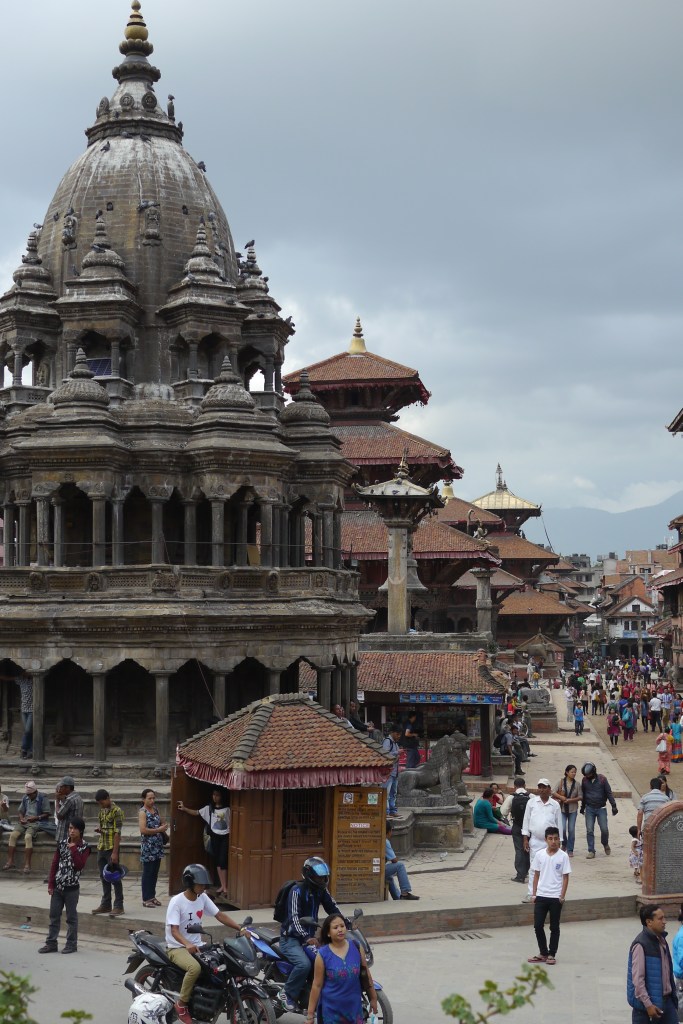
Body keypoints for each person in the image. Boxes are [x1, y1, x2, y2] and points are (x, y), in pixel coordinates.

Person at [166, 863, 244, 1024]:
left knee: (224, 960)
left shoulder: (202, 897)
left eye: (204, 884)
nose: (202, 887)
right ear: (189, 883)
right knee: (194, 968)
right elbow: (174, 930)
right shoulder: (177, 902)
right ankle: (181, 1005)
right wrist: (187, 944)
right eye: (199, 884)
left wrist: (240, 927)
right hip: (177, 947)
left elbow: (219, 915)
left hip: (197, 945)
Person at [280, 856, 346, 1014]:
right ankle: (286, 995)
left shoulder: (321, 890)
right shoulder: (296, 891)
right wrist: (306, 937)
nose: (322, 879)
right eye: (319, 877)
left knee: (327, 962)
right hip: (292, 939)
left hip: (310, 939)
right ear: (309, 875)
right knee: (305, 964)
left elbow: (333, 909)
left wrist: (347, 923)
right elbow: (294, 918)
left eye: (324, 877)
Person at [306, 913, 377, 1024]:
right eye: (335, 927)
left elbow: (365, 974)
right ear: (328, 933)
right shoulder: (322, 954)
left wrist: (373, 998)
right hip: (331, 1012)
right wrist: (310, 1015)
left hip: (354, 1010)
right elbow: (317, 985)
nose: (340, 929)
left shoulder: (357, 946)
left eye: (342, 926)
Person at [38, 816, 91, 955]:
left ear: (81, 831)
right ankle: (51, 943)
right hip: (58, 887)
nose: (71, 831)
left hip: (72, 889)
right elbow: (55, 864)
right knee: (54, 916)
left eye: (74, 829)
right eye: (70, 828)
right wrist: (51, 884)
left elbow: (79, 866)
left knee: (71, 918)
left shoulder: (85, 847)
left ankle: (71, 944)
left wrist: (73, 849)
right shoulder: (61, 843)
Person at [526, 826, 571, 966]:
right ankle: (543, 952)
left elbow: (565, 877)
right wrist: (534, 894)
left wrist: (562, 896)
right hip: (541, 895)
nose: (554, 841)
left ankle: (552, 954)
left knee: (554, 927)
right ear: (546, 840)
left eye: (556, 839)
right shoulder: (540, 855)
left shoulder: (563, 856)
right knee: (538, 926)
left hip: (555, 897)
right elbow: (536, 875)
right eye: (550, 839)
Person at [627, 904, 678, 1023]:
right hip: (648, 1009)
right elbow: (638, 980)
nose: (664, 922)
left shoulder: (661, 940)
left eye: (664, 918)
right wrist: (648, 1005)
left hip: (667, 1002)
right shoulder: (640, 944)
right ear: (649, 922)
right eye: (660, 919)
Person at [177, 787, 231, 898]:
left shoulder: (227, 809)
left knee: (223, 861)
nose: (215, 797)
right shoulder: (209, 808)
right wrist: (184, 808)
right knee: (217, 861)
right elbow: (197, 812)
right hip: (215, 836)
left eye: (218, 795)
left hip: (225, 836)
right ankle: (222, 885)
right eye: (214, 795)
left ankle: (225, 886)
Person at [521, 779, 562, 902]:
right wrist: (525, 838)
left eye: (544, 787)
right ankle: (531, 893)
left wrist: (560, 842)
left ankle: (551, 893)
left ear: (549, 789)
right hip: (535, 840)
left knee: (551, 867)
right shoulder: (531, 803)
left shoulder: (555, 805)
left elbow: (559, 824)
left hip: (551, 842)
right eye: (540, 787)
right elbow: (526, 820)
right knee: (534, 867)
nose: (542, 789)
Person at [2, 780, 49, 873]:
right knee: (13, 835)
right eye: (27, 795)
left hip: (36, 822)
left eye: (30, 794)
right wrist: (21, 818)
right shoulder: (25, 798)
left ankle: (27, 864)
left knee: (28, 837)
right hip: (25, 822)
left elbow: (47, 813)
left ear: (35, 792)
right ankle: (10, 861)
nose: (29, 796)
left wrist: (36, 817)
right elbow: (20, 811)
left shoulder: (43, 798)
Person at [92, 789, 125, 917]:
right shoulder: (102, 811)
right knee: (103, 876)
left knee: (115, 877)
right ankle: (106, 904)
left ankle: (118, 905)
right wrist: (100, 830)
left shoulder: (117, 811)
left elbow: (118, 833)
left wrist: (115, 853)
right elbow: (105, 827)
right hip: (102, 845)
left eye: (102, 802)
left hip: (112, 847)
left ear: (108, 798)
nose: (101, 805)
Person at [580, 761, 618, 859]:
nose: (588, 776)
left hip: (601, 808)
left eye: (589, 774)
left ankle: (605, 843)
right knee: (589, 830)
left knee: (604, 829)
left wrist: (613, 805)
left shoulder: (602, 779)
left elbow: (609, 793)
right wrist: (582, 807)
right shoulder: (584, 781)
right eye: (586, 775)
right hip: (589, 808)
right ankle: (591, 850)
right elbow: (583, 795)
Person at [138, 788, 168, 908]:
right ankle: (146, 898)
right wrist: (158, 830)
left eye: (153, 798)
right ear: (144, 799)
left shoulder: (155, 809)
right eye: (149, 798)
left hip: (157, 845)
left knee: (155, 872)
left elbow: (160, 822)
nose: (152, 800)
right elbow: (143, 830)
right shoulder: (142, 812)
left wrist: (163, 826)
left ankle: (152, 896)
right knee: (148, 872)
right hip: (148, 846)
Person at [500, 777, 530, 884]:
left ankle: (520, 875)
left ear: (514, 786)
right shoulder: (531, 796)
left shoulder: (511, 797)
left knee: (519, 849)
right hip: (529, 827)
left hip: (517, 826)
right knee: (528, 848)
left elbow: (503, 811)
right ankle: (526, 871)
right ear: (525, 785)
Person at [385, 821, 419, 900]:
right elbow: (394, 860)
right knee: (400, 866)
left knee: (389, 877)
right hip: (377, 870)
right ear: (389, 831)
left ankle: (397, 897)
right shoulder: (385, 841)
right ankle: (405, 893)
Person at [553, 765, 579, 857]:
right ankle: (564, 843)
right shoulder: (560, 782)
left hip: (573, 809)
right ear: (567, 772)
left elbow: (581, 796)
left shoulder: (577, 784)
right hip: (562, 808)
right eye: (572, 772)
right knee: (562, 828)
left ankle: (570, 848)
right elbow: (553, 791)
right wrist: (561, 797)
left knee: (571, 829)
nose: (574, 774)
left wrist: (571, 800)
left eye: (575, 772)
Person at [55, 776, 84, 844]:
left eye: (61, 787)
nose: (60, 789)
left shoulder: (69, 799)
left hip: (65, 836)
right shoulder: (78, 797)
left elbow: (59, 815)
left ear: (67, 788)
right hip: (75, 834)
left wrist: (57, 800)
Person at [381, 725, 402, 818]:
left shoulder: (395, 743)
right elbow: (385, 754)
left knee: (393, 793)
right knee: (387, 792)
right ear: (392, 732)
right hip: (388, 772)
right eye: (397, 734)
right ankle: (386, 811)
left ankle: (392, 810)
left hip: (395, 772)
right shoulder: (387, 741)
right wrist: (397, 753)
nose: (398, 736)